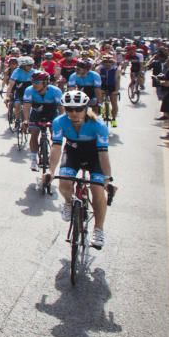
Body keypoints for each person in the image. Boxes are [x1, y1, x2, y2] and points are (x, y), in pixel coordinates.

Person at [43, 90, 112, 249]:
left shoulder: (98, 125)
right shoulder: (59, 122)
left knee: (97, 189)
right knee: (64, 183)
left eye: (78, 109)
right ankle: (68, 202)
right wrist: (51, 171)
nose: (73, 113)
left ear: (85, 108)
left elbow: (103, 154)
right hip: (73, 153)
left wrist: (107, 179)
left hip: (95, 156)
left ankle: (98, 229)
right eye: (69, 109)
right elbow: (56, 147)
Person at [22, 71, 64, 171]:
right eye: (33, 82)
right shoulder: (29, 90)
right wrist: (26, 120)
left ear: (45, 82)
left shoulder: (56, 91)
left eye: (37, 82)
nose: (34, 84)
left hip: (52, 113)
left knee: (55, 136)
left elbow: (61, 107)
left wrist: (63, 121)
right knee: (34, 133)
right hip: (37, 113)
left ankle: (53, 156)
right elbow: (27, 106)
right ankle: (33, 160)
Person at [95, 54, 120, 126]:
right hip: (101, 86)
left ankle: (114, 119)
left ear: (112, 62)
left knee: (114, 103)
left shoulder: (116, 69)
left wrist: (116, 90)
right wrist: (98, 90)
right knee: (98, 102)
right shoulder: (98, 69)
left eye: (110, 62)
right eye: (105, 62)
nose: (107, 63)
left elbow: (117, 80)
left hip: (112, 87)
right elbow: (96, 81)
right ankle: (101, 113)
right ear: (102, 62)